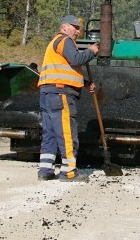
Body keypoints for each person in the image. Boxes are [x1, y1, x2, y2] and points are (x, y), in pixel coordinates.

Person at [36, 14, 99, 182]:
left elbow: (63, 70)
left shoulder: (54, 43)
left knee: (50, 133)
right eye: (75, 27)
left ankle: (45, 170)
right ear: (64, 27)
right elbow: (76, 59)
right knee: (67, 133)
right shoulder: (64, 41)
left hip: (48, 93)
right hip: (60, 94)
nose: (77, 31)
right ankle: (69, 172)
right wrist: (91, 51)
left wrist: (84, 83)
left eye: (79, 28)